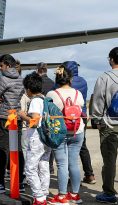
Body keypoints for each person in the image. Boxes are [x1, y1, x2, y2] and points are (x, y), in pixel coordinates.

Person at [0, 54, 25, 193]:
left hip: (4, 117)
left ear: (7, 65)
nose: (0, 68)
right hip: (17, 117)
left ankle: (0, 182)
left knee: (3, 149)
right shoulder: (21, 79)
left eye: (1, 65)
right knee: (18, 150)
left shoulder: (4, 79)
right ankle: (19, 182)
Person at [46, 65, 84, 204]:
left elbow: (48, 114)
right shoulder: (78, 94)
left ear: (57, 78)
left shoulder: (51, 94)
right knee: (73, 163)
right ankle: (75, 195)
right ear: (71, 78)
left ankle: (62, 196)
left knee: (62, 164)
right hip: (77, 131)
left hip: (60, 132)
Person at [19, 72, 51, 205]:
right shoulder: (46, 99)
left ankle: (39, 197)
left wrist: (22, 115)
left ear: (29, 89)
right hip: (47, 137)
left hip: (37, 137)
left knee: (30, 168)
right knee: (44, 165)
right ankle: (44, 193)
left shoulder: (35, 101)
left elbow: (34, 121)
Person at [62, 61, 96, 184]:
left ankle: (72, 177)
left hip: (68, 117)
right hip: (82, 116)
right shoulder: (83, 81)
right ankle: (90, 174)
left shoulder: (66, 82)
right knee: (82, 146)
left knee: (68, 148)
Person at [92, 47, 118, 204]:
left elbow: (98, 101)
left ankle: (109, 193)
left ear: (112, 59)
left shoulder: (104, 78)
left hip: (110, 124)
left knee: (109, 160)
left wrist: (96, 120)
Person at [36, 62, 56, 174]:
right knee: (50, 141)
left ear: (38, 70)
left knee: (40, 141)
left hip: (40, 115)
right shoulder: (53, 83)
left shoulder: (38, 83)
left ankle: (42, 166)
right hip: (51, 114)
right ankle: (50, 166)